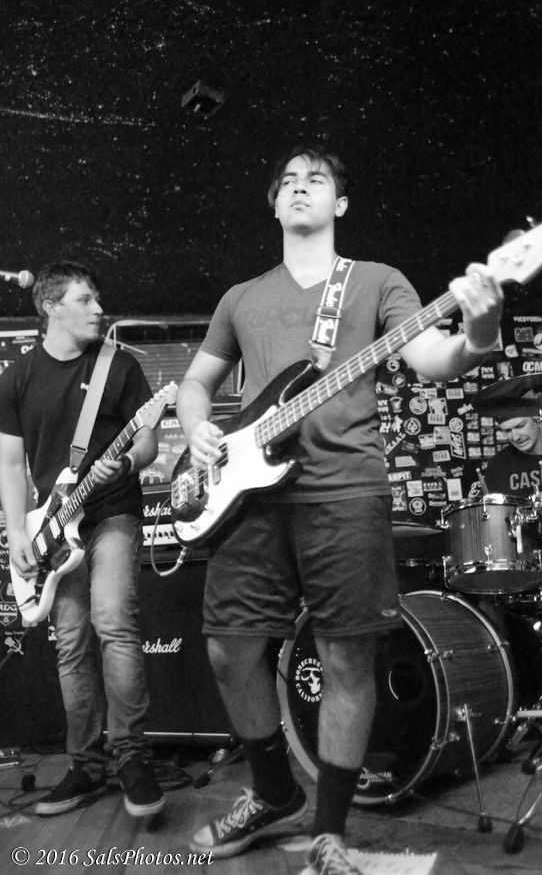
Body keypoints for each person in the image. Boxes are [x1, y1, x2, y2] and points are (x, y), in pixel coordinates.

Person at [175, 144, 503, 875]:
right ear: (274, 204)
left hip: (346, 489)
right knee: (229, 649)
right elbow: (196, 383)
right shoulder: (240, 298)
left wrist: (481, 332)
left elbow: (431, 359)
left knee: (346, 656)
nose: (300, 188)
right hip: (248, 496)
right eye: (287, 182)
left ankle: (329, 831)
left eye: (315, 180)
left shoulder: (377, 281)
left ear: (339, 204)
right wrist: (197, 425)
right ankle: (273, 791)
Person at [0, 261, 165, 818]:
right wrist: (15, 530)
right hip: (52, 529)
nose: (99, 308)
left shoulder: (120, 365)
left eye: (98, 299)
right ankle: (86, 765)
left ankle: (132, 757)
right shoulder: (17, 378)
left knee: (113, 621)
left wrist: (129, 463)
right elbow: (10, 462)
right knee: (70, 641)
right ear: (51, 307)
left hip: (113, 512)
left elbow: (146, 439)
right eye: (85, 300)